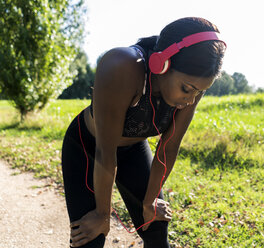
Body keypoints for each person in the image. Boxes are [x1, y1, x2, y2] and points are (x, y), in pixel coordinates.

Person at [61, 17, 226, 248]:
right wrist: (102, 214)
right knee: (90, 238)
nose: (190, 100)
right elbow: (105, 152)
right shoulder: (121, 65)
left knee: (156, 227)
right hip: (88, 147)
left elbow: (168, 148)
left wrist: (150, 202)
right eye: (187, 89)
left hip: (133, 148)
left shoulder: (191, 87)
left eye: (199, 92)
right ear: (162, 63)